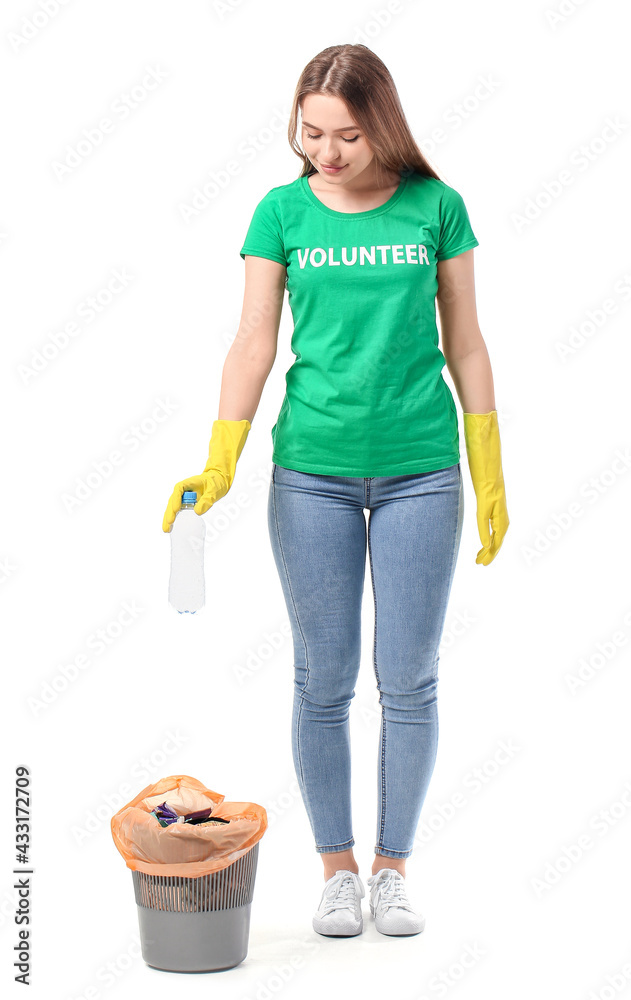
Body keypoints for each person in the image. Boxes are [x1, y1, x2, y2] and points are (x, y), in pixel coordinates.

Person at [162, 43, 509, 939]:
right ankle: (335, 868)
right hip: (308, 472)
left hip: (421, 471)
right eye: (310, 133)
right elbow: (252, 343)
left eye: (347, 135)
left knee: (409, 678)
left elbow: (466, 342)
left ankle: (392, 868)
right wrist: (220, 458)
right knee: (322, 680)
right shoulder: (280, 213)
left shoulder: (437, 207)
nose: (326, 152)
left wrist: (487, 461)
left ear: (382, 124)